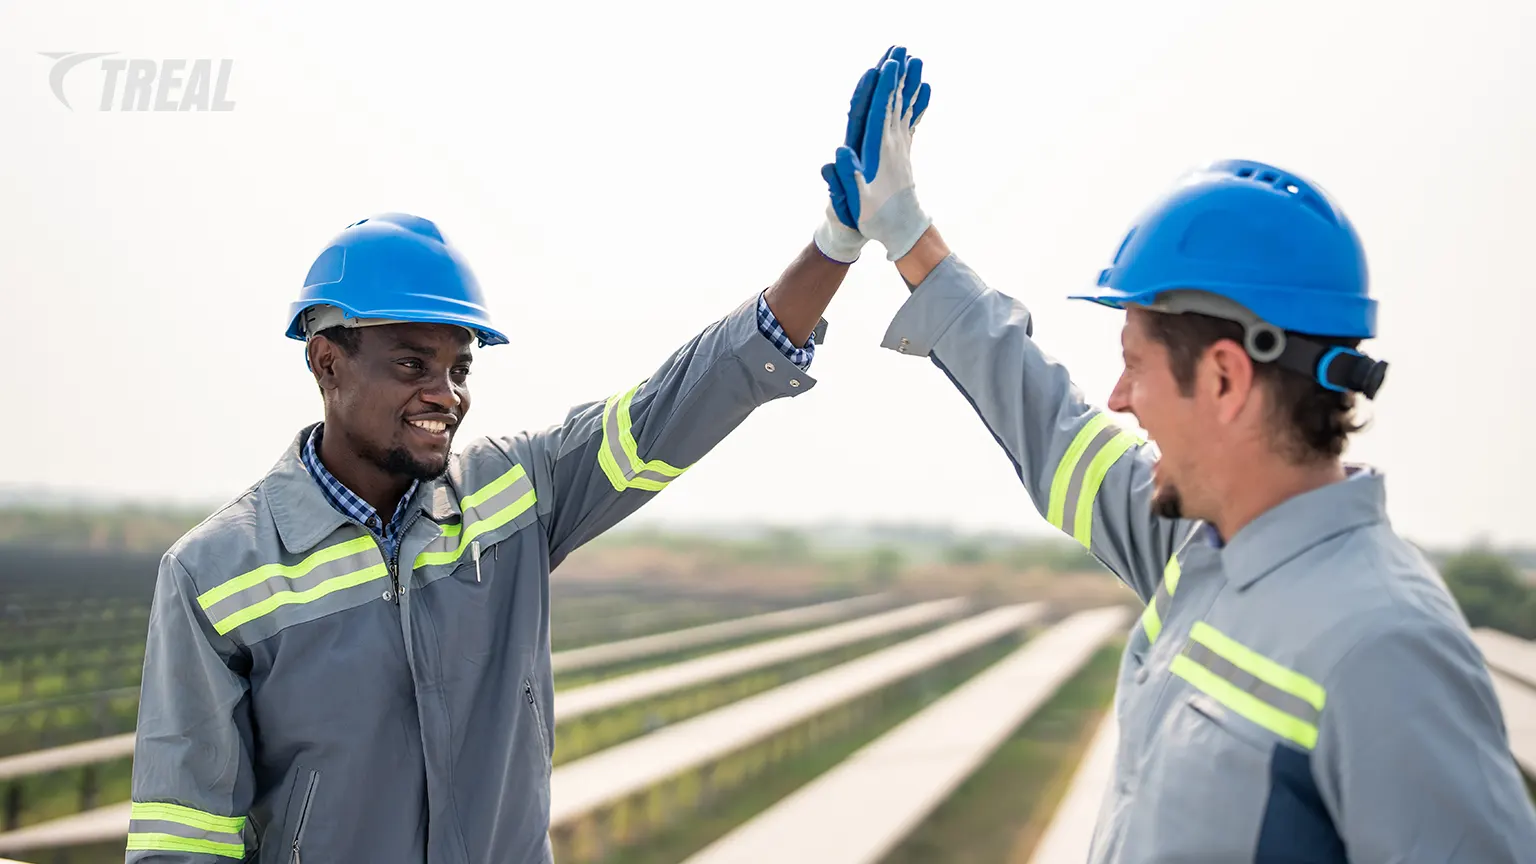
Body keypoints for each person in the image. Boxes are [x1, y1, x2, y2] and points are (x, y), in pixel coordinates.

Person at [124, 50, 930, 864]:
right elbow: (183, 836)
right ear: (327, 361)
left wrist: (835, 243)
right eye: (413, 364)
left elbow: (675, 406)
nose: (446, 392)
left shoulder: (514, 497)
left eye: (459, 368)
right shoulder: (216, 574)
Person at [817, 47, 1536, 862]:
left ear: (1226, 378)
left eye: (1135, 364)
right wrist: (910, 236)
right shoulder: (1198, 550)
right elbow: (1050, 425)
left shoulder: (1386, 648)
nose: (1118, 399)